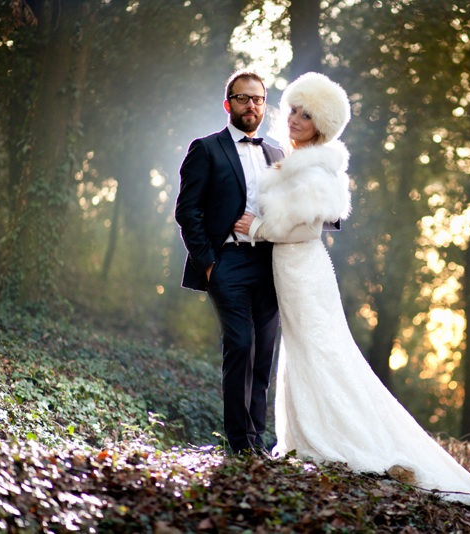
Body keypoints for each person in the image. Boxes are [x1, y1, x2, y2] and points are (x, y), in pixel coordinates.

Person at [232, 72, 470, 518]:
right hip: (288, 272)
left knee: (322, 353)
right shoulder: (293, 157)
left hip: (304, 271)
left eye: (307, 115)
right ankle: (299, 438)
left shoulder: (319, 164)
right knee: (303, 352)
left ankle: (332, 439)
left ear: (322, 124)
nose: (294, 119)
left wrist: (258, 230)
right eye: (292, 109)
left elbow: (308, 226)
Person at [174, 70, 283, 455]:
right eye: (242, 98)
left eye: (257, 99)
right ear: (228, 104)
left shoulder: (278, 155)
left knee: (264, 354)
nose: (250, 105)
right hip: (228, 263)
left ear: (264, 106)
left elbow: (286, 212)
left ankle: (256, 440)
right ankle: (240, 445)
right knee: (240, 345)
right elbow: (188, 212)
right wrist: (209, 264)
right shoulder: (206, 149)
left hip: (272, 265)